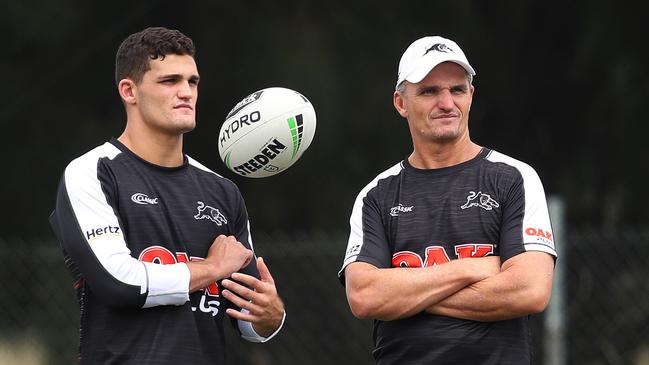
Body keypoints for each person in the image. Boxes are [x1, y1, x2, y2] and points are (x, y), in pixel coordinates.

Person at [49, 26, 286, 364]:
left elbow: (247, 317)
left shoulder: (222, 191)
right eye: (169, 81)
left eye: (192, 82)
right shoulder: (93, 172)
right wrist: (211, 268)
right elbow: (119, 283)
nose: (186, 92)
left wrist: (270, 315)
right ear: (129, 91)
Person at [339, 35, 557, 364]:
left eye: (456, 89)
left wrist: (407, 294)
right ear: (401, 103)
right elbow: (364, 296)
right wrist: (471, 269)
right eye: (429, 91)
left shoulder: (514, 178)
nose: (446, 103)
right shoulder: (376, 195)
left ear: (471, 95)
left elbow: (529, 291)